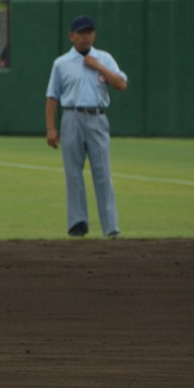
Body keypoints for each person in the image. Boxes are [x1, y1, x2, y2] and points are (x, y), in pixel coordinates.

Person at [45, 15, 128, 239]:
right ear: (72, 36)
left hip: (97, 117)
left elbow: (121, 84)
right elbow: (52, 96)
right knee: (73, 174)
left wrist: (98, 66)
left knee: (103, 173)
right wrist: (51, 128)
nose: (85, 36)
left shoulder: (104, 58)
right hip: (71, 117)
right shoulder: (61, 63)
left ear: (94, 35)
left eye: (89, 32)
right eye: (81, 33)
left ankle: (111, 227)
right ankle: (77, 223)